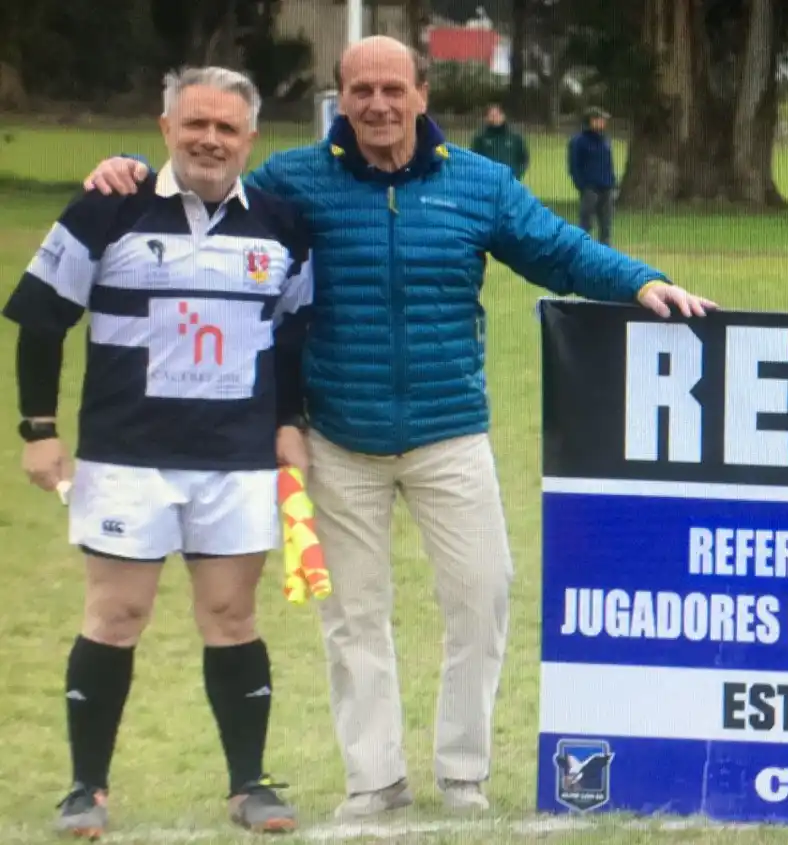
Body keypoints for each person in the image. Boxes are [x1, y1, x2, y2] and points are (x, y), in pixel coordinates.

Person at [81, 36, 716, 821]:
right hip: (338, 436)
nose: (377, 105)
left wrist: (642, 280)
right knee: (353, 616)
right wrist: (127, 166)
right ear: (339, 99)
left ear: (421, 93)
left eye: (392, 88)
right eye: (361, 91)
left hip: (451, 430)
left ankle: (463, 774)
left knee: (482, 597)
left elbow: (559, 250)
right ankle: (374, 780)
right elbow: (205, 177)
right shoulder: (294, 181)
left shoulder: (478, 183)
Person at [6, 66, 311, 838]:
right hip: (125, 456)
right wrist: (37, 428)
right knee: (116, 614)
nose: (210, 138)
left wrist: (289, 421)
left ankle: (250, 785)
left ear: (251, 139)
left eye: (227, 127)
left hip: (236, 459)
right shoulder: (108, 207)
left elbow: (295, 337)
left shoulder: (281, 226)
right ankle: (86, 789)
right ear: (166, 128)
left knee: (231, 615)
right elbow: (42, 320)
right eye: (196, 124)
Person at [568, 107, 618, 245]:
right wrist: (582, 185)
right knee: (586, 222)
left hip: (606, 186)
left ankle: (606, 251)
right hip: (590, 187)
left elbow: (609, 162)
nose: (603, 123)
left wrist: (612, 181)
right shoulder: (579, 141)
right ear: (592, 121)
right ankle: (581, 248)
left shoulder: (605, 140)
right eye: (601, 120)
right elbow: (574, 165)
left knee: (606, 223)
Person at [469, 102, 529, 180]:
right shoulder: (480, 137)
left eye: (497, 115)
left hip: (510, 181)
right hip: (488, 181)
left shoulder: (515, 137)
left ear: (503, 116)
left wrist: (516, 175)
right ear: (487, 118)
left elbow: (523, 158)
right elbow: (473, 159)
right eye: (492, 115)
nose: (495, 118)